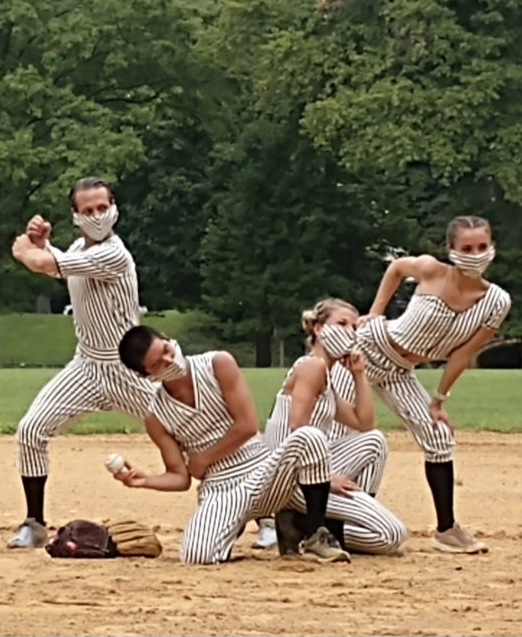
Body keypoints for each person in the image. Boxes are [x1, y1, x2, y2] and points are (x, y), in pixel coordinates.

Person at [114, 325, 350, 564]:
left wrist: (204, 458)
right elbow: (180, 477)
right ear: (146, 376)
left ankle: (314, 533)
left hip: (264, 469)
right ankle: (229, 524)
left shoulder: (217, 363)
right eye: (158, 365)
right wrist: (144, 480)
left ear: (167, 338)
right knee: (196, 555)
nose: (170, 360)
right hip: (221, 487)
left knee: (309, 436)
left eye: (166, 349)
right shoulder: (156, 416)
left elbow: (246, 425)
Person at [6, 178, 156, 548]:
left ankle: (263, 514)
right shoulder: (77, 248)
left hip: (128, 367)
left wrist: (27, 249)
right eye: (87, 211)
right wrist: (41, 246)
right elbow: (58, 263)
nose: (96, 216)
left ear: (115, 208)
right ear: (75, 216)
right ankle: (35, 523)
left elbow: (42, 264)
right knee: (30, 431)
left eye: (102, 208)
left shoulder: (115, 254)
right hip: (86, 365)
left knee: (194, 433)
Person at [354, 215, 511, 554]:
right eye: (466, 248)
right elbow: (396, 267)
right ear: (451, 249)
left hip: (400, 370)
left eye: (482, 247)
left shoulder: (497, 301)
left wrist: (438, 399)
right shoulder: (430, 269)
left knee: (439, 437)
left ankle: (446, 529)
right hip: (366, 351)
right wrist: (376, 310)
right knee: (326, 426)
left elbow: (464, 353)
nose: (476, 254)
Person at [262, 299, 406, 556]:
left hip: (306, 472)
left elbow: (365, 423)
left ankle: (313, 526)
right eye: (340, 324)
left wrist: (359, 374)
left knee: (374, 441)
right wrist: (326, 478)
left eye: (352, 326)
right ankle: (311, 526)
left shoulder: (325, 376)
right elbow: (298, 429)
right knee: (390, 536)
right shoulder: (312, 366)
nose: (348, 332)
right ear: (318, 329)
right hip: (291, 477)